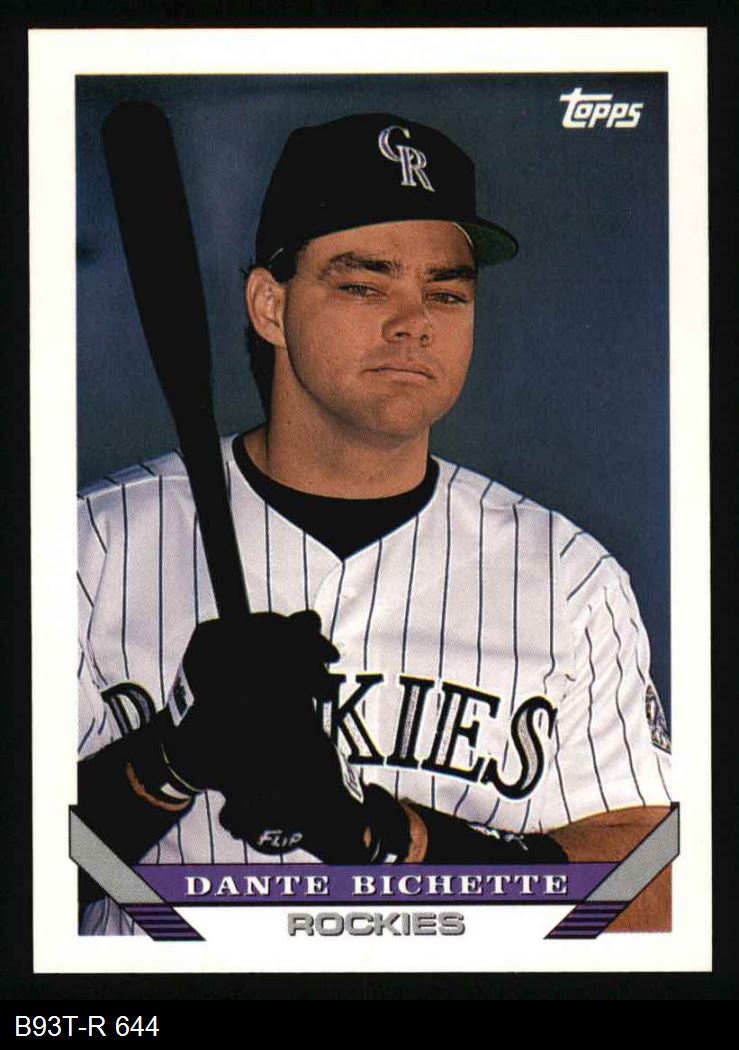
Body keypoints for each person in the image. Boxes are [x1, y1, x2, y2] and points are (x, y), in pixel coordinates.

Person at [77, 112, 672, 936]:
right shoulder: (91, 548)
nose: (413, 321)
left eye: (446, 292)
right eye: (364, 285)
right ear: (270, 306)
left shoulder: (568, 577)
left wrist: (383, 839)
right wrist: (167, 761)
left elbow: (656, 888)